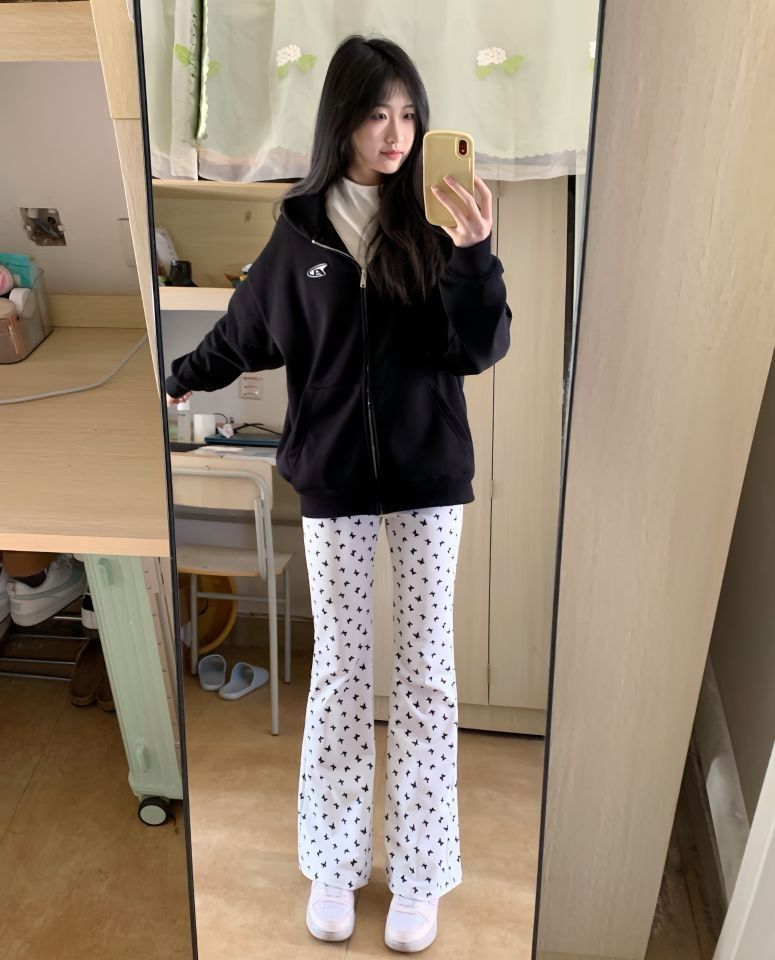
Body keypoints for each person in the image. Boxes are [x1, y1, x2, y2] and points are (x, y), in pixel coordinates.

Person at [165, 34, 511, 954]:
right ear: (341, 121)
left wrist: (476, 254)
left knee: (426, 676)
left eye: (408, 115)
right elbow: (244, 332)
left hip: (429, 478)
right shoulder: (298, 233)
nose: (395, 134)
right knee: (342, 675)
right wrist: (180, 378)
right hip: (333, 481)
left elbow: (478, 349)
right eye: (375, 114)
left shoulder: (437, 219)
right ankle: (333, 860)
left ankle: (421, 874)